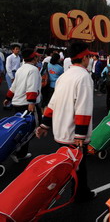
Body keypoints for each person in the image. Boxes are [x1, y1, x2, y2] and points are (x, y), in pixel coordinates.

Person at [35, 42, 97, 202]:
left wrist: (44, 124)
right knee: (77, 166)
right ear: (84, 58)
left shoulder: (64, 76)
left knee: (70, 165)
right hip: (73, 133)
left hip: (61, 130)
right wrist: (80, 135)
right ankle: (79, 195)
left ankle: (78, 192)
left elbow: (52, 104)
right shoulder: (84, 77)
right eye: (88, 56)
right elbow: (83, 108)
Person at [3, 48, 42, 162]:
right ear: (34, 58)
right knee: (31, 128)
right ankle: (19, 152)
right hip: (26, 103)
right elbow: (32, 87)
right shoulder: (33, 70)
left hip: (17, 102)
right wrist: (31, 103)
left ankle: (16, 150)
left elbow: (13, 86)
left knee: (19, 128)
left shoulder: (20, 69)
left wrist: (8, 98)